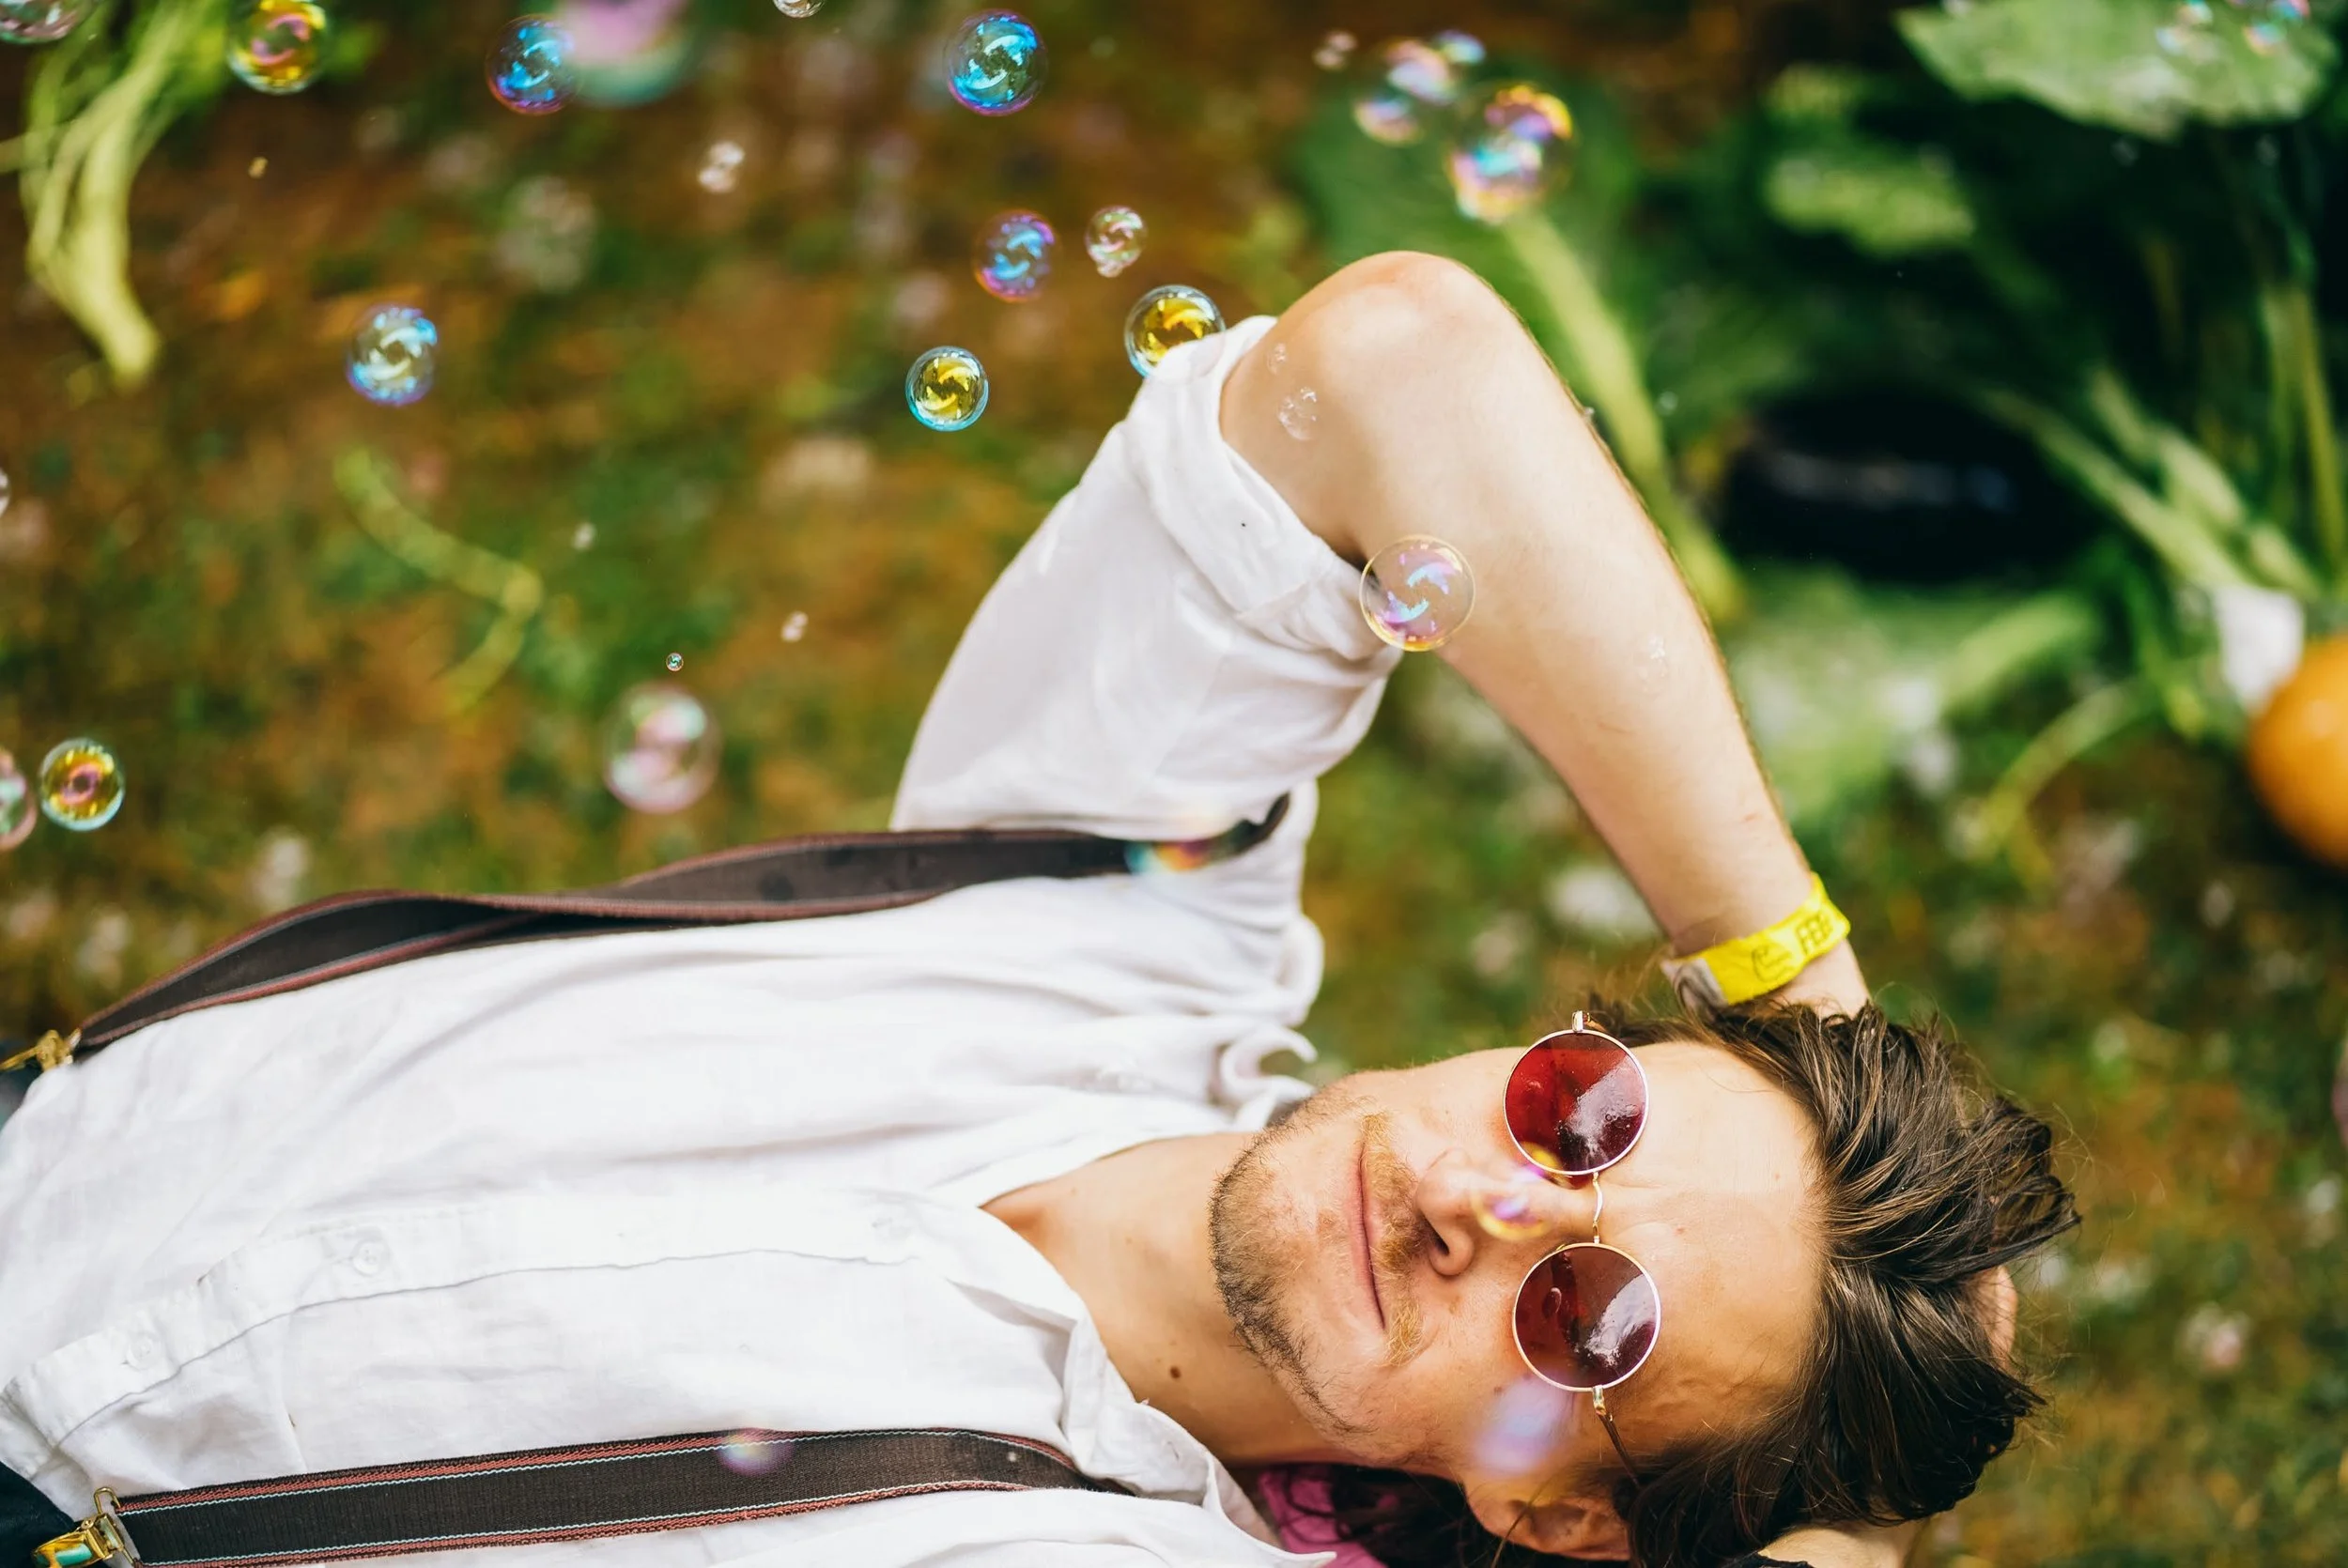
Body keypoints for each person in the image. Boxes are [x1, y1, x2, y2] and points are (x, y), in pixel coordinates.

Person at [0, 253, 2074, 1568]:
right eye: (1585, 1117)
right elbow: (1395, 368)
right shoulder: (1110, 915)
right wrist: (1804, 1006)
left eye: (1585, 1317)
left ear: (1550, 1511)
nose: (1496, 1207)